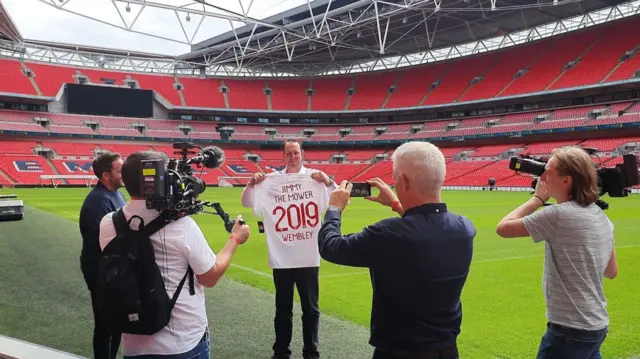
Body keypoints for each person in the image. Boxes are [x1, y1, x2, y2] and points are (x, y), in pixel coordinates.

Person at [318, 141, 476, 359]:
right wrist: (397, 204)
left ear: (402, 181)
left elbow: (330, 246)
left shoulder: (388, 233)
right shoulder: (465, 228)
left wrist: (334, 209)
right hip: (447, 351)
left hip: (399, 352)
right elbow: (424, 227)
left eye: (395, 177)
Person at [99, 151, 251, 359]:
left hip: (133, 344)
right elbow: (210, 276)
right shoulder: (182, 226)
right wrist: (235, 238)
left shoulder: (108, 223)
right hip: (182, 343)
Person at [496, 146, 618, 359]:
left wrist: (537, 200)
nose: (542, 176)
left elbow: (503, 228)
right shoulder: (601, 217)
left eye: (548, 170)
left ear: (566, 181)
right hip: (596, 325)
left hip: (569, 330)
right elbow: (611, 271)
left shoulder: (559, 215)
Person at [241, 139, 337, 359]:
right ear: (282, 156)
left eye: (296, 152)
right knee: (282, 309)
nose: (293, 156)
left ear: (302, 153)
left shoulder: (315, 178)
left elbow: (339, 200)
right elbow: (247, 202)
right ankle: (281, 351)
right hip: (282, 256)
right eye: (289, 153)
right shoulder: (271, 181)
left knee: (311, 310)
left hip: (308, 255)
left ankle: (311, 352)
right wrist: (251, 184)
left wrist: (328, 180)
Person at [79, 152, 126, 359]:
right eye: (119, 170)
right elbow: (101, 244)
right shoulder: (98, 202)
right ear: (106, 175)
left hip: (113, 270)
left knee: (117, 323)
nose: (124, 173)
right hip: (101, 272)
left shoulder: (116, 194)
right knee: (105, 324)